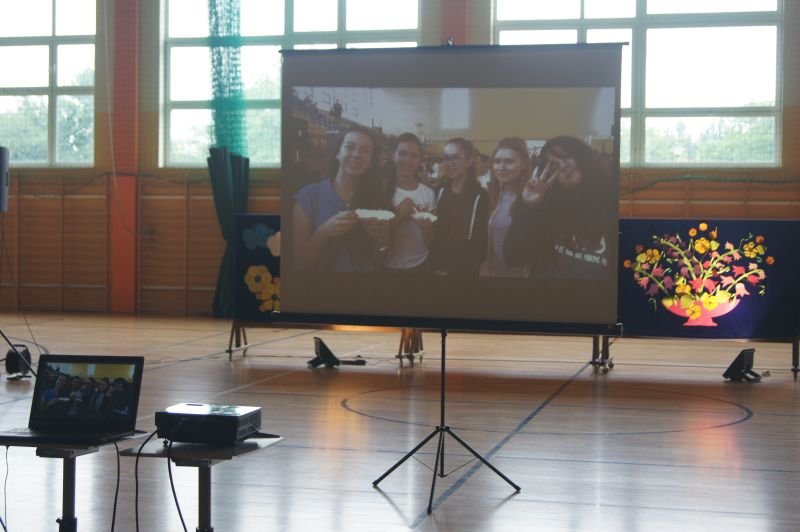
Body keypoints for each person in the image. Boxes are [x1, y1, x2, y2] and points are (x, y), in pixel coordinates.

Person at [504, 135, 613, 278]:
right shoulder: (545, 205)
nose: (563, 166)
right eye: (554, 165)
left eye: (566, 157)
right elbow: (513, 257)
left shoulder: (610, 202)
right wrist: (528, 205)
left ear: (583, 157)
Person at [292, 126, 387, 272]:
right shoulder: (309, 195)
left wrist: (380, 240)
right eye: (350, 147)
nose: (357, 154)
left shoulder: (375, 198)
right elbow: (298, 263)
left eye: (365, 151)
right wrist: (324, 231)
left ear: (370, 162)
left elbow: (380, 257)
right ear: (338, 153)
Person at [430, 137, 489, 278]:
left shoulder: (480, 196)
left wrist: (454, 270)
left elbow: (479, 242)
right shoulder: (440, 191)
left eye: (456, 157)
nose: (450, 163)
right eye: (446, 158)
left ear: (469, 161)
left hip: (464, 269)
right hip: (437, 266)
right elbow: (437, 234)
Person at [383, 133, 436, 272]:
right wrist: (398, 216)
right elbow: (375, 239)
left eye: (414, 155)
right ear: (393, 155)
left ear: (419, 160)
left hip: (422, 263)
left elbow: (430, 241)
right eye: (402, 153)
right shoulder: (382, 190)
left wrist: (426, 228)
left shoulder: (428, 193)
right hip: (390, 265)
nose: (408, 160)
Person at [479, 137, 531, 278]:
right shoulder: (492, 195)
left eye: (509, 161)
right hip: (494, 270)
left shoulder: (529, 199)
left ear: (524, 164)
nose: (501, 167)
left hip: (520, 273)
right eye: (497, 161)